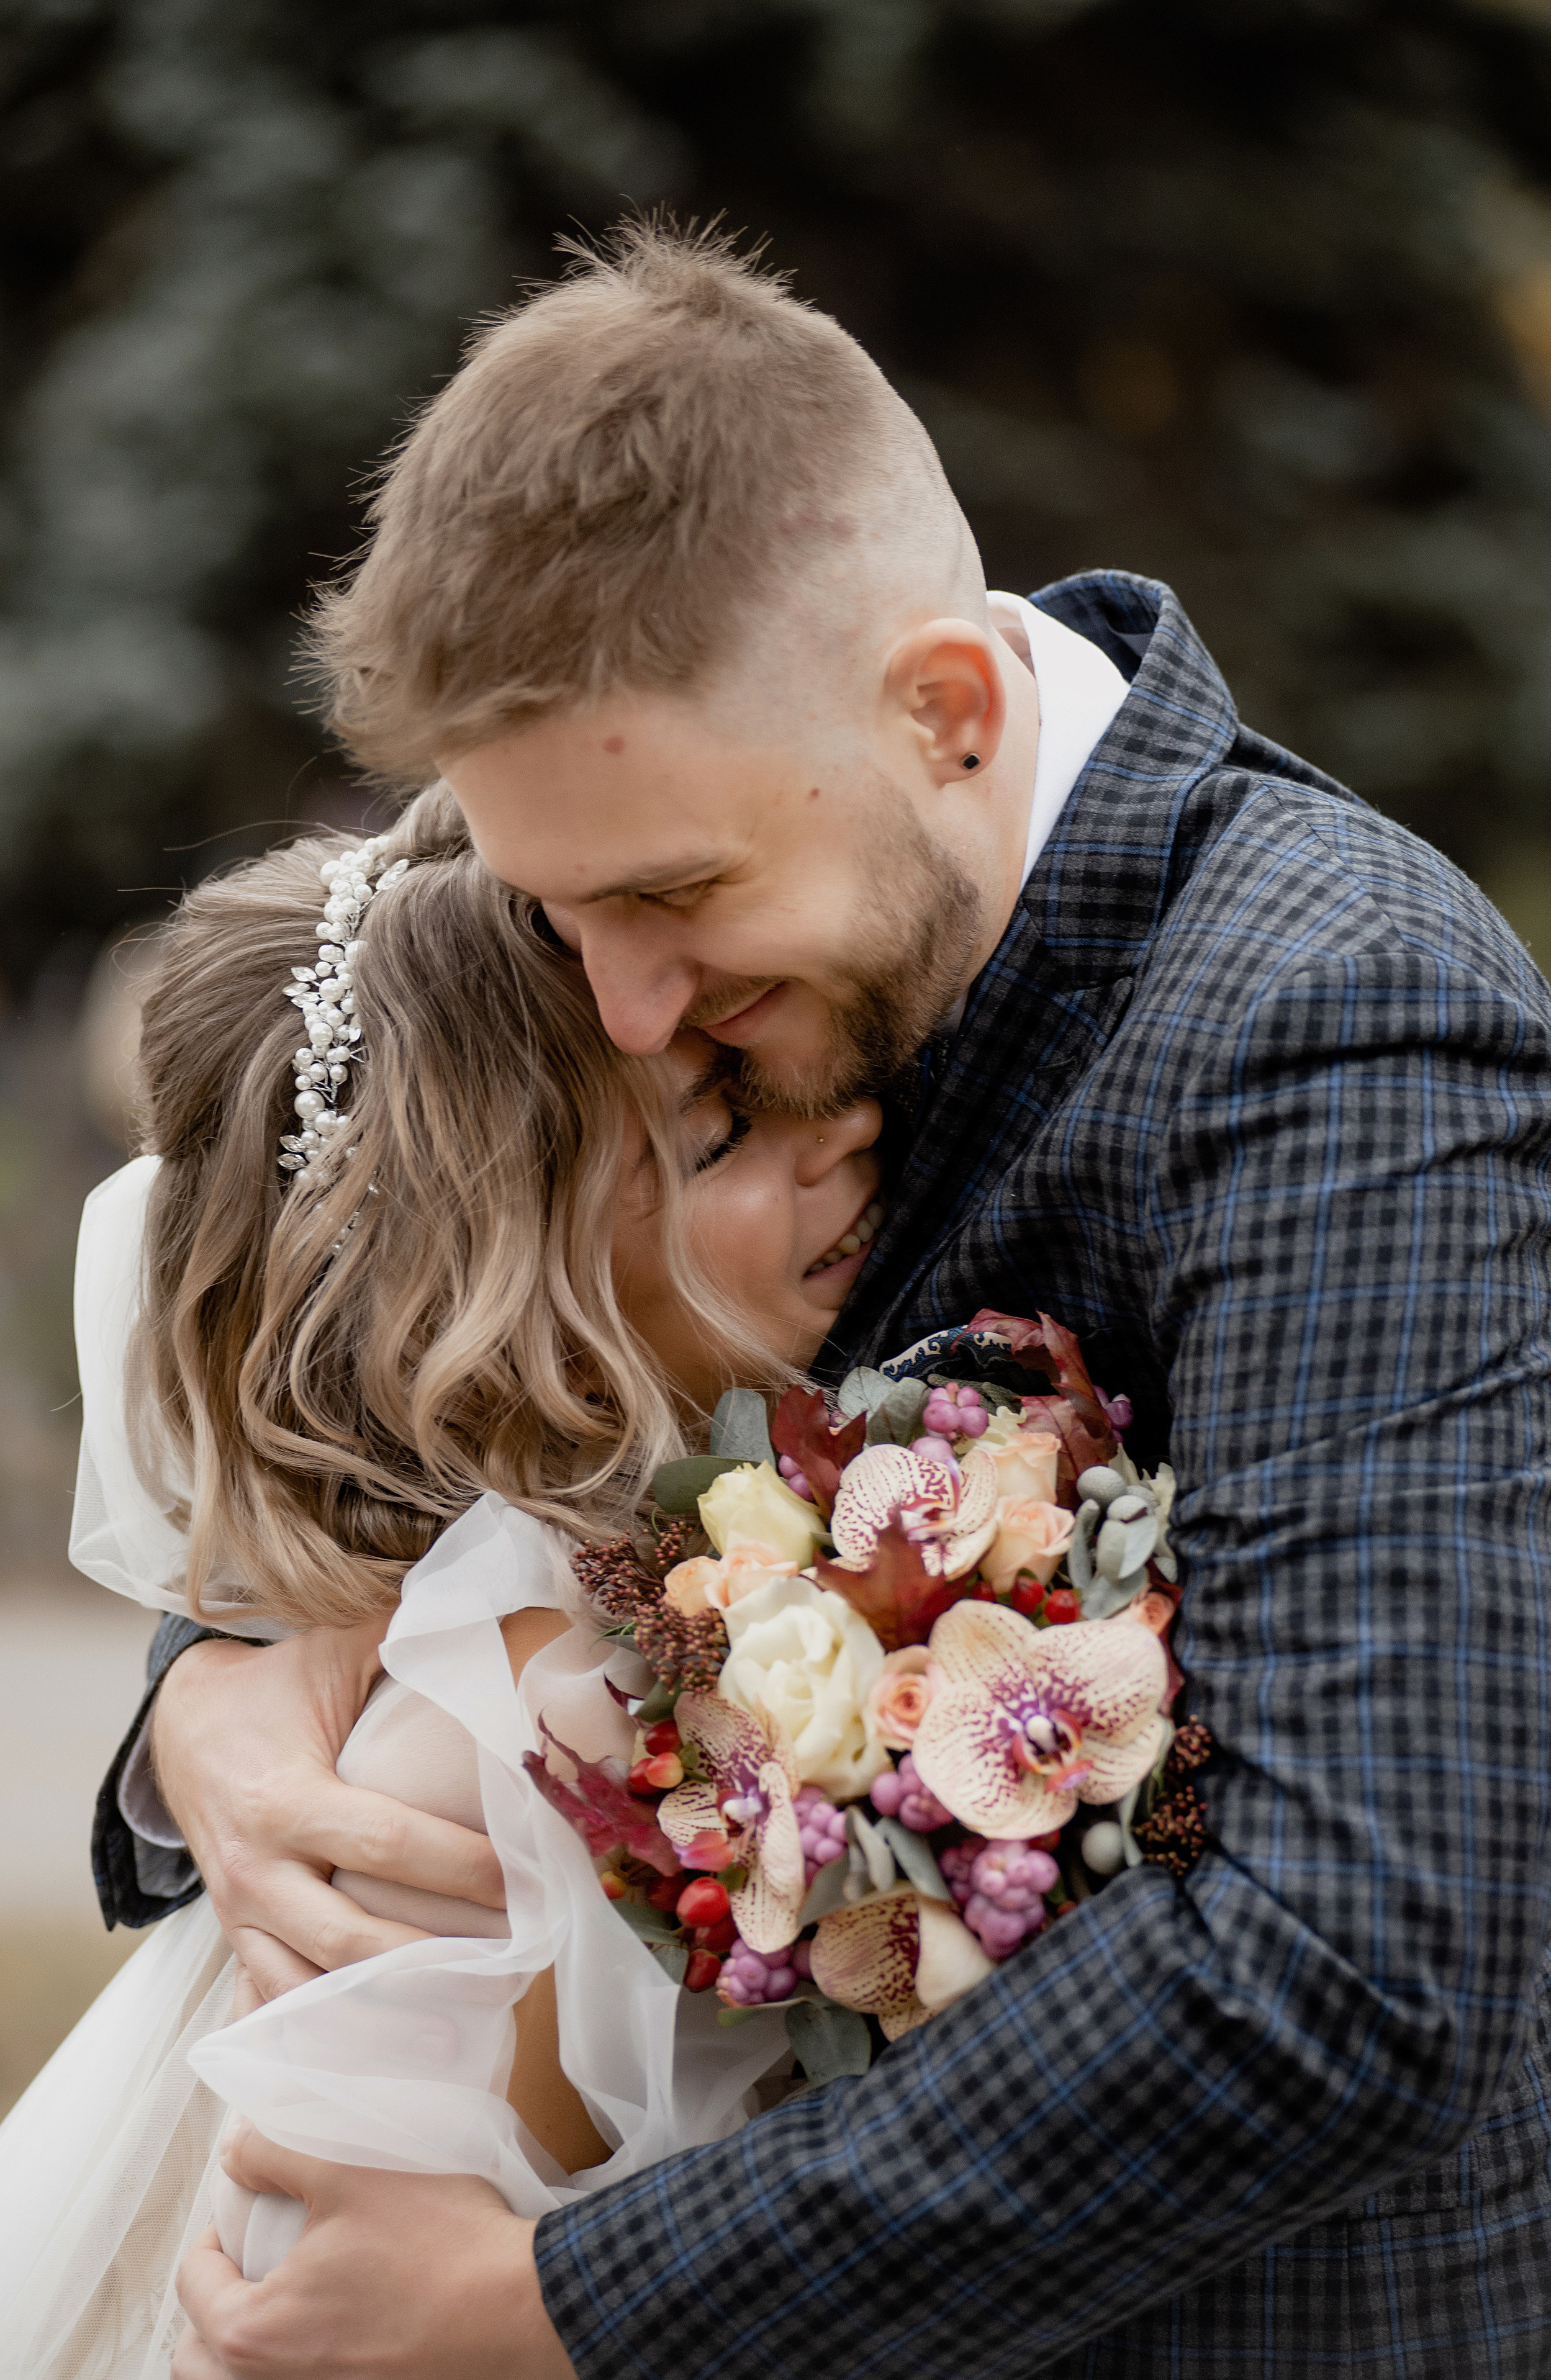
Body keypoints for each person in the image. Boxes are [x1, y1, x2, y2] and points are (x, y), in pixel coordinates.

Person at [111, 227, 1551, 2376]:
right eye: (553, 909)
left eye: (667, 906)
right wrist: (216, 1672)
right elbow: (375, 1261)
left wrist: (559, 2309)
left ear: (948, 713)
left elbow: (1348, 1961)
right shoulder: (672, 805)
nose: (616, 1001)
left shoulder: (1336, 1023)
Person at [1, 785, 890, 2378]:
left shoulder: (655, 1588)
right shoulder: (524, 1710)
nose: (847, 1124)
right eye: (723, 1132)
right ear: (514, 1282)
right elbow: (306, 2308)